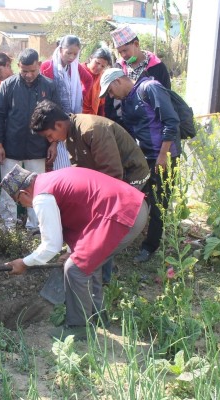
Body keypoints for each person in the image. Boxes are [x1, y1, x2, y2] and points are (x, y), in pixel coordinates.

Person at [0, 165, 148, 340]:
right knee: (88, 263)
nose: (25, 206)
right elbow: (80, 206)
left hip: (120, 215)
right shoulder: (51, 179)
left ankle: (79, 327)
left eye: (20, 203)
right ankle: (97, 316)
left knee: (74, 268)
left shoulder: (42, 197)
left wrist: (24, 263)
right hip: (135, 207)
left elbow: (50, 247)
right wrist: (72, 250)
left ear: (24, 193)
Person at [30, 99, 150, 283]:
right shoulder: (70, 134)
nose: (50, 141)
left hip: (129, 177)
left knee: (109, 226)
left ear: (59, 124)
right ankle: (94, 268)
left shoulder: (92, 130)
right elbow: (80, 170)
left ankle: (102, 276)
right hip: (109, 181)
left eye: (49, 135)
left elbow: (113, 176)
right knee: (95, 223)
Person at [100, 68, 181, 263]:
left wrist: (163, 156)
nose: (111, 96)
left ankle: (150, 247)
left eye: (110, 91)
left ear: (118, 81)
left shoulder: (150, 88)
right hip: (143, 158)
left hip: (163, 157)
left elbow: (171, 121)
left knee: (158, 204)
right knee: (133, 196)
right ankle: (124, 238)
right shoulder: (128, 100)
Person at [0, 48, 60, 230]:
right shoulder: (8, 85)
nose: (28, 75)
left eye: (32, 70)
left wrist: (53, 143)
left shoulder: (49, 86)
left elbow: (55, 119)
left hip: (38, 147)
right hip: (11, 146)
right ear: (18, 67)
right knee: (8, 188)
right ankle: (7, 227)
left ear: (39, 65)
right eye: (24, 71)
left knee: (37, 189)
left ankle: (35, 228)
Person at [40, 35, 93, 170]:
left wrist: (80, 96)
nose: (71, 57)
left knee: (70, 154)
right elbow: (44, 90)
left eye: (75, 54)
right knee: (53, 155)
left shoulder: (75, 67)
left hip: (71, 116)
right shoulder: (48, 66)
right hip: (52, 116)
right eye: (68, 53)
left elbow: (88, 80)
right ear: (60, 49)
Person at [105, 25, 171, 125]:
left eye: (125, 50)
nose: (123, 55)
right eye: (120, 52)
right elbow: (109, 102)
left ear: (136, 44)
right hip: (123, 126)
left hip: (149, 127)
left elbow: (165, 100)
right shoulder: (117, 68)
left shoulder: (157, 68)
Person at [82, 47, 112, 115]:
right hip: (77, 116)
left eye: (102, 66)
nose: (99, 67)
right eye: (97, 63)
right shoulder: (79, 71)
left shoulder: (102, 77)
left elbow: (102, 102)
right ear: (91, 58)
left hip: (93, 117)